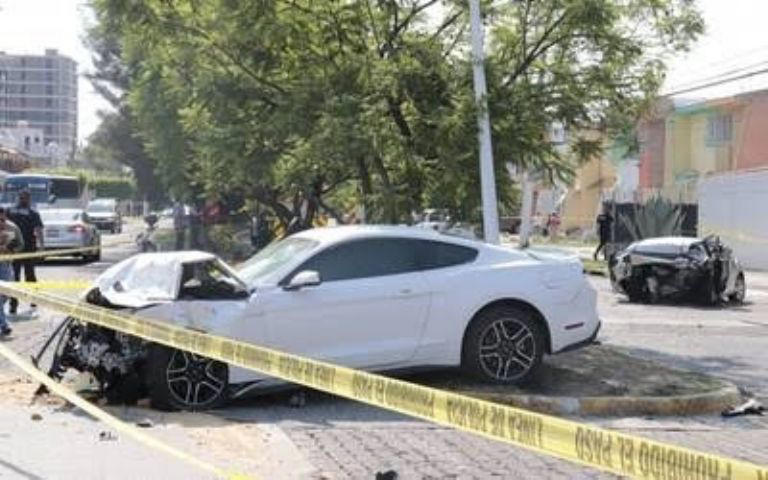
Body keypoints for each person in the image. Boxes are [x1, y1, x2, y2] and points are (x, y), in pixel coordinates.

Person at [8, 190, 43, 316]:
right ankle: (13, 305)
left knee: (30, 276)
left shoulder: (33, 213)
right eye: (21, 198)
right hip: (15, 249)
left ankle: (34, 300)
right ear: (19, 198)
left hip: (29, 249)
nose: (23, 200)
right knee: (14, 277)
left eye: (25, 198)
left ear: (29, 199)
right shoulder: (11, 211)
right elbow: (4, 226)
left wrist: (41, 246)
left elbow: (38, 229)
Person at [0, 207, 24, 336]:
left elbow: (21, 244)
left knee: (6, 294)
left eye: (2, 219)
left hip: (6, 264)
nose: (1, 222)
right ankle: (4, 325)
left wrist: (11, 249)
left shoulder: (13, 228)